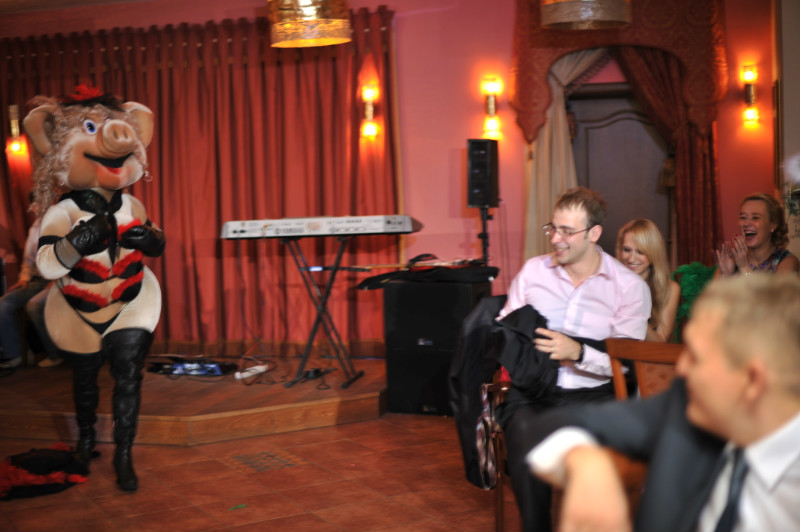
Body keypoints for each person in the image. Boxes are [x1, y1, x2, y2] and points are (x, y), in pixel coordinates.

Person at [526, 274, 800, 532]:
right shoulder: (688, 407)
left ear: (752, 381)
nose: (681, 368)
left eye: (695, 357)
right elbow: (548, 427)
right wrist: (586, 462)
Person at [496, 186, 652, 532]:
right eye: (553, 228)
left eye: (567, 231)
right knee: (522, 429)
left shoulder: (628, 287)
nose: (556, 239)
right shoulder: (534, 272)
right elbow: (506, 327)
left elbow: (626, 362)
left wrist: (578, 353)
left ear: (594, 234)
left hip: (595, 396)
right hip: (535, 391)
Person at [0, 214, 61, 369]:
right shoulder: (36, 225)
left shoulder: (65, 219)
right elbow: (28, 258)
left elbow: (72, 255)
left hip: (60, 279)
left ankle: (56, 354)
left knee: (33, 306)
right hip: (38, 279)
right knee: (3, 304)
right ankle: (17, 353)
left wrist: (59, 278)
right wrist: (24, 278)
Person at [616, 218, 681, 343]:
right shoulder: (608, 282)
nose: (631, 258)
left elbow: (661, 341)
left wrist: (635, 317)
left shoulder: (670, 289)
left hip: (644, 354)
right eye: (627, 250)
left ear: (654, 253)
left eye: (640, 252)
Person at [714, 192, 799, 276]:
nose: (746, 223)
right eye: (743, 217)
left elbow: (777, 286)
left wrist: (744, 267)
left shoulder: (787, 261)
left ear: (773, 224)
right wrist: (725, 275)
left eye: (755, 218)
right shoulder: (732, 260)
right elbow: (714, 285)